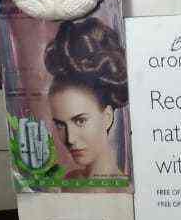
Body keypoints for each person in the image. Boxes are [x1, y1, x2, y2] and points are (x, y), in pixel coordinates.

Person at [45, 15, 129, 181]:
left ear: (107, 117)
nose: (70, 139)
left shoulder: (126, 190)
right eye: (60, 125)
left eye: (80, 121)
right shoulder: (66, 182)